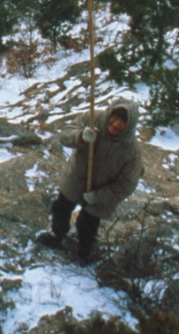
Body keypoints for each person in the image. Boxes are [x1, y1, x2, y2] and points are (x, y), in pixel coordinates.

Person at [38, 100, 143, 264]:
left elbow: (128, 184)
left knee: (87, 224)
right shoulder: (92, 119)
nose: (115, 125)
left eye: (122, 123)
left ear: (128, 126)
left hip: (103, 190)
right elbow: (65, 135)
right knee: (61, 208)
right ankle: (57, 235)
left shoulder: (132, 150)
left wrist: (99, 196)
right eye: (114, 119)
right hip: (77, 178)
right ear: (109, 114)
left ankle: (85, 251)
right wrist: (80, 137)